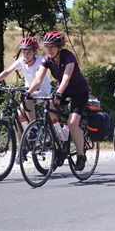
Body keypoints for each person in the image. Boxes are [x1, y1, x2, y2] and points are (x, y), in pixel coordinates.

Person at [24, 30, 89, 171]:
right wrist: (28, 93)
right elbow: (38, 79)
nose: (49, 50)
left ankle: (81, 155)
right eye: (47, 47)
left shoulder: (68, 57)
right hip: (63, 90)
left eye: (52, 47)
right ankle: (60, 133)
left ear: (60, 47)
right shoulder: (47, 60)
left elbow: (66, 78)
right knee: (50, 104)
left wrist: (58, 93)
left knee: (73, 123)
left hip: (79, 92)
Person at [0, 36, 52, 141]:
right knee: (19, 113)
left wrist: (29, 92)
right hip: (29, 90)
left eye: (28, 52)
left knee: (27, 101)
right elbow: (7, 72)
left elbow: (38, 80)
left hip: (43, 90)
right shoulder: (21, 61)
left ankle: (34, 129)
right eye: (23, 52)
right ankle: (22, 147)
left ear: (35, 53)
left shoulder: (40, 61)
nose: (26, 55)